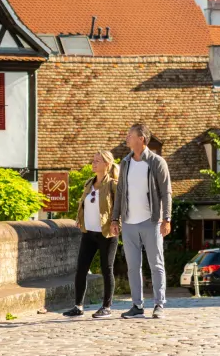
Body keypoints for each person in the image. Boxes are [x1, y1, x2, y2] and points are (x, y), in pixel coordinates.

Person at [109, 123, 172, 319]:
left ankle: (159, 304)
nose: (126, 138)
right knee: (133, 266)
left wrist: (166, 218)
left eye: (130, 135)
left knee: (156, 264)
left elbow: (166, 192)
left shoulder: (156, 162)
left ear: (141, 139)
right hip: (128, 223)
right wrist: (115, 218)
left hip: (151, 221)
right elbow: (120, 193)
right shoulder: (125, 163)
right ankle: (137, 305)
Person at [63, 151, 121, 319]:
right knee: (81, 269)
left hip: (106, 233)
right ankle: (78, 306)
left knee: (106, 269)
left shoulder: (113, 185)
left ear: (107, 165)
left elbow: (120, 207)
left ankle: (106, 307)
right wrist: (79, 219)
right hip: (88, 232)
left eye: (98, 161)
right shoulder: (89, 183)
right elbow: (83, 204)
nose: (94, 163)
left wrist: (118, 223)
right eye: (93, 161)